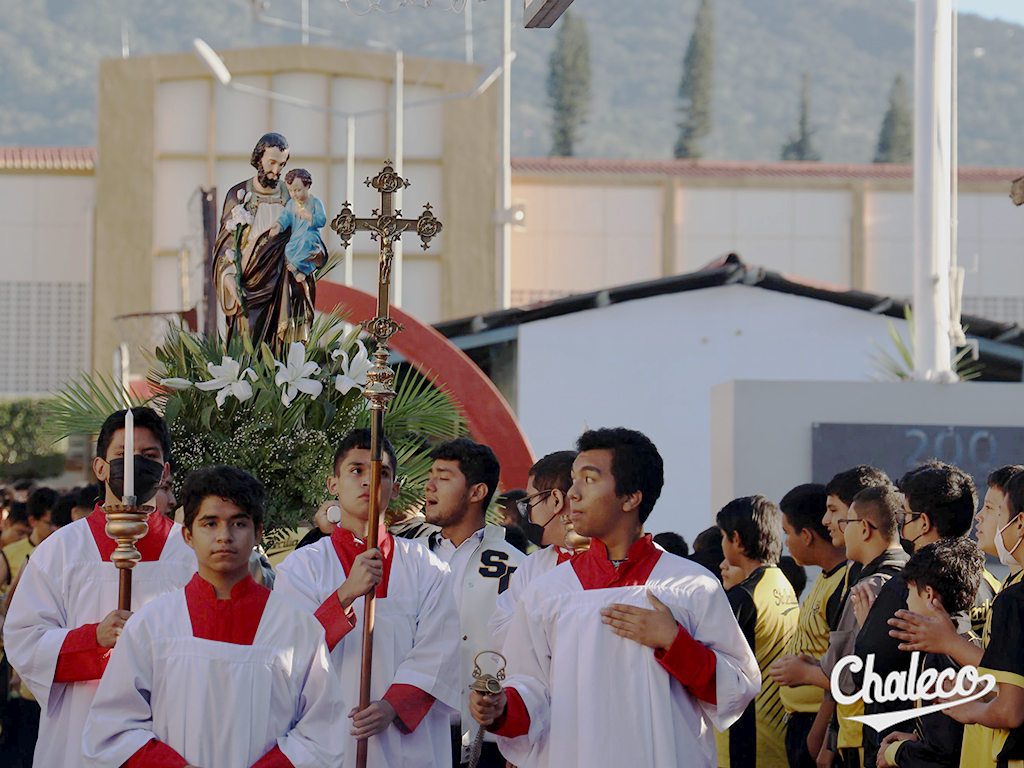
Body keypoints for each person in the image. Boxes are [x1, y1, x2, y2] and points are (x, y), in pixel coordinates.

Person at [470, 427, 760, 768]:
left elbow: (736, 690)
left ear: (630, 498)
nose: (572, 494)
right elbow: (530, 689)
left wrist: (674, 642)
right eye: (573, 480)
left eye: (589, 479)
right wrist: (502, 708)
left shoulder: (691, 586)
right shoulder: (548, 592)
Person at [82, 465, 346, 767]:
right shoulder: (151, 625)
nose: (224, 536)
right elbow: (113, 728)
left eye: (239, 523)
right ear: (188, 535)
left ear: (258, 533)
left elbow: (322, 732)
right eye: (210, 523)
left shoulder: (297, 627)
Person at [2, 407, 198, 768]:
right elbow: (23, 640)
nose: (135, 466)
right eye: (123, 455)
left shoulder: (191, 553)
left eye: (149, 456)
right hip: (80, 725)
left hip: (168, 725)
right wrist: (93, 639)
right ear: (101, 468)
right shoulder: (62, 551)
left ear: (165, 470)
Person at [275, 429, 460, 768]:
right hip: (330, 739)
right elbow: (289, 650)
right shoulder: (301, 567)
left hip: (407, 742)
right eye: (356, 470)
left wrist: (393, 705)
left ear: (395, 488)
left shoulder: (427, 567)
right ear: (333, 484)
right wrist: (346, 594)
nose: (368, 481)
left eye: (381, 473)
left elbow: (441, 649)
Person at [852, 463, 980, 767]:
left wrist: (868, 629)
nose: (901, 527)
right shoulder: (983, 578)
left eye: (905, 516)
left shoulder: (909, 585)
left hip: (909, 746)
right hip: (966, 742)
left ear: (923, 523)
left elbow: (867, 671)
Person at [419, 438, 525, 768]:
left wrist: (520, 739)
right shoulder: (408, 554)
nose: (429, 486)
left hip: (487, 739)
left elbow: (529, 654)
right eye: (430, 476)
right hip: (414, 731)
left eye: (443, 477)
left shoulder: (519, 566)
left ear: (477, 492)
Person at [919, 467, 1024, 768]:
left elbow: (1011, 709)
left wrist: (969, 709)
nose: (981, 517)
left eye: (994, 510)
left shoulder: (1014, 599)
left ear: (1019, 522)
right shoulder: (1008, 589)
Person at [820, 485, 909, 768]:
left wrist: (807, 670)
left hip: (863, 734)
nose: (842, 530)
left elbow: (845, 678)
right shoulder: (913, 575)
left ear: (864, 528)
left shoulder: (867, 588)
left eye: (846, 522)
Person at [875, 537, 984, 768]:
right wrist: (917, 738)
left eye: (909, 590)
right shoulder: (971, 642)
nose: (906, 600)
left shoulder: (942, 656)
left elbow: (942, 755)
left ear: (928, 595)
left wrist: (894, 753)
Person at [213, 132, 317, 353]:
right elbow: (225, 246)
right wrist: (230, 280)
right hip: (250, 286)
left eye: (282, 165)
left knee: (282, 353)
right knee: (247, 350)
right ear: (258, 158)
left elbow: (306, 234)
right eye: (272, 163)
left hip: (284, 287)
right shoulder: (239, 195)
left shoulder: (291, 196)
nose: (276, 171)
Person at [768, 483, 848, 768]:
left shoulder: (844, 586)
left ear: (806, 535)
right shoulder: (826, 578)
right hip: (803, 723)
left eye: (787, 533)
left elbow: (846, 673)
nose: (786, 543)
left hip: (819, 725)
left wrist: (817, 743)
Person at [716, 495, 798, 768]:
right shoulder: (783, 584)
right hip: (780, 737)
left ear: (737, 540)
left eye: (723, 537)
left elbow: (714, 668)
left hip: (747, 744)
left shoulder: (743, 596)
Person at [488, 450, 581, 650]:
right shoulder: (532, 566)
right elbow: (500, 635)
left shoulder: (612, 558)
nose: (527, 512)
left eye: (530, 500)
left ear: (556, 500)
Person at [269, 168, 328, 282]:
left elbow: (322, 220)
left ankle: (299, 267)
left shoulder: (315, 203)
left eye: (297, 190)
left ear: (307, 186)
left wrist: (310, 217)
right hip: (297, 235)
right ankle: (297, 273)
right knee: (289, 249)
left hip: (311, 235)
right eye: (291, 191)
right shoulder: (291, 204)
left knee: (306, 244)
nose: (294, 194)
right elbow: (285, 216)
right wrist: (278, 225)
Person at [0, 487, 58, 589]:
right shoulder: (9, 553)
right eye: (50, 524)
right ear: (33, 521)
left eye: (58, 524)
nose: (55, 529)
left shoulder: (62, 551)